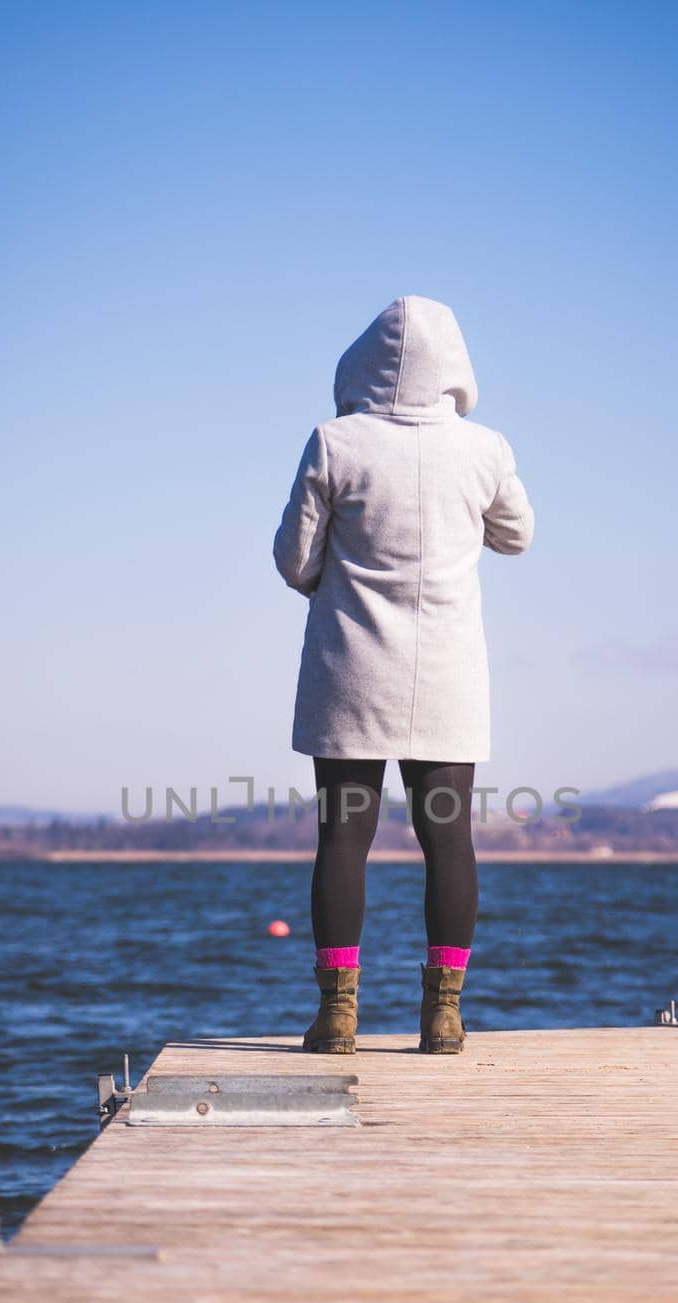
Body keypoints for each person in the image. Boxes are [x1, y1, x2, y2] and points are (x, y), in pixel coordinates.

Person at [273, 295, 534, 1054]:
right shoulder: (484, 449)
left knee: (342, 841)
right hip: (448, 676)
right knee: (448, 842)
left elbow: (294, 561)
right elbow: (517, 536)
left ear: (361, 361)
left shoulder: (334, 441)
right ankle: (444, 1015)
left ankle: (337, 1016)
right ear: (454, 368)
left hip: (350, 671)